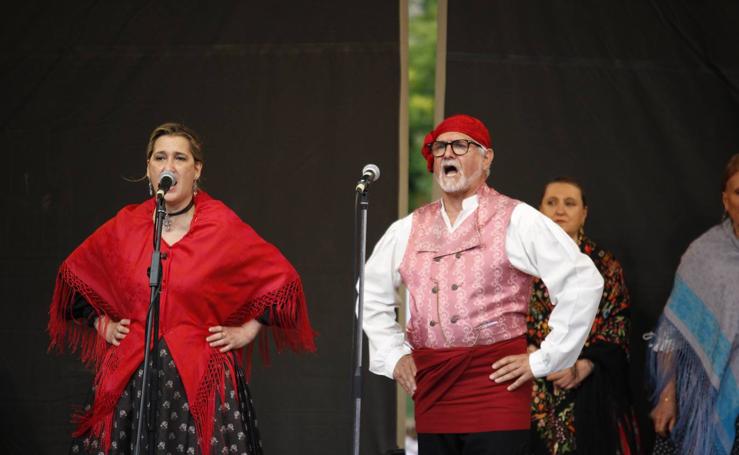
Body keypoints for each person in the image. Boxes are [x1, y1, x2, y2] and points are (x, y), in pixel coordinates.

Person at [48, 123, 316, 455]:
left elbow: (282, 280)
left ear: (197, 169)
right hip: (132, 381)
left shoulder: (221, 226)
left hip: (199, 379)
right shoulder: (126, 226)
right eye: (160, 158)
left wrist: (249, 328)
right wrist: (100, 323)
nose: (169, 167)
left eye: (180, 158)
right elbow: (73, 277)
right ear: (149, 168)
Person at [361, 114, 604, 455]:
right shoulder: (409, 228)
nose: (447, 154)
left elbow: (583, 281)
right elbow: (370, 293)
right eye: (440, 147)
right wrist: (395, 354)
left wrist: (543, 359)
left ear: (486, 158)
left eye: (460, 145)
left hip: (495, 385)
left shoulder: (515, 217)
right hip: (433, 385)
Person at [527, 177, 641, 454]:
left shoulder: (605, 266)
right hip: (530, 387)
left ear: (584, 213)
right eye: (551, 203)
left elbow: (618, 328)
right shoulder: (520, 264)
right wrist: (530, 352)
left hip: (589, 390)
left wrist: (584, 366)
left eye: (569, 203)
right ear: (539, 211)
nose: (560, 210)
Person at [647, 153, 739, 455]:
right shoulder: (704, 255)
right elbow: (670, 333)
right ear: (725, 200)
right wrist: (666, 395)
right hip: (708, 398)